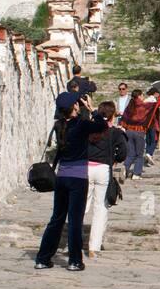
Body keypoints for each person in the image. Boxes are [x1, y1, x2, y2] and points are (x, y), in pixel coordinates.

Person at [35, 92, 109, 271]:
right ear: (74, 107)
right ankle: (75, 261)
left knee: (56, 219)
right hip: (78, 178)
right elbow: (102, 125)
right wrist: (92, 109)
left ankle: (43, 258)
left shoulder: (59, 126)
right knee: (75, 220)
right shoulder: (81, 124)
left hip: (62, 176)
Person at [85, 101, 128, 257]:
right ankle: (94, 247)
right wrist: (114, 159)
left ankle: (73, 241)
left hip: (86, 168)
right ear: (113, 115)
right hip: (103, 169)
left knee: (81, 206)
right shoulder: (115, 132)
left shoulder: (88, 130)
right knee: (100, 209)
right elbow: (123, 152)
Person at [119, 88, 160, 180]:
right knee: (139, 154)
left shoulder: (130, 106)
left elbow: (124, 118)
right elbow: (156, 106)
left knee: (131, 153)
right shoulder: (143, 106)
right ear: (139, 96)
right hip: (139, 132)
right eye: (142, 95)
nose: (143, 97)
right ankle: (136, 174)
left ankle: (125, 168)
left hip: (129, 132)